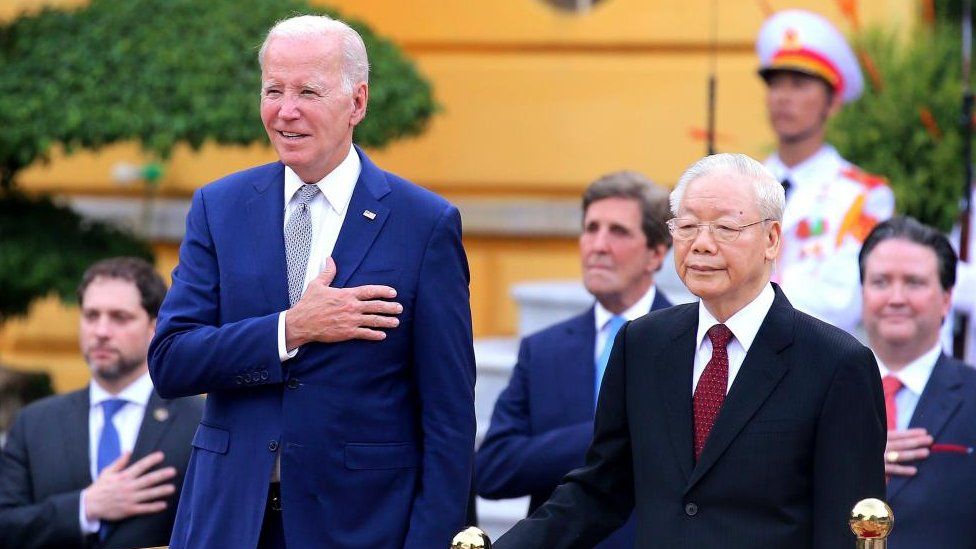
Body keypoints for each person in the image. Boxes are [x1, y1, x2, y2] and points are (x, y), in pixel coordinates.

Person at [147, 14, 475, 549]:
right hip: (231, 521)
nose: (285, 110)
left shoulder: (423, 224)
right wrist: (289, 329)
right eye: (272, 90)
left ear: (358, 103)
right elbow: (172, 360)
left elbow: (449, 417)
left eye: (308, 91)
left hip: (361, 526)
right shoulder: (219, 207)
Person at [493, 153, 886, 548]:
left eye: (725, 228)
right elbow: (600, 489)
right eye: (687, 226)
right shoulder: (641, 345)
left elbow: (847, 527)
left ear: (771, 240)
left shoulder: (836, 364)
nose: (701, 244)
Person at [476, 171, 673, 548]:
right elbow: (493, 469)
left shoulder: (691, 343)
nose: (598, 245)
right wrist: (607, 434)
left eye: (618, 231)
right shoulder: (543, 350)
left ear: (657, 253)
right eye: (591, 228)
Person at [0, 257, 203, 549]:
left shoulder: (199, 422)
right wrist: (84, 508)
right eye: (91, 315)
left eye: (120, 317)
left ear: (155, 326)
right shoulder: (34, 423)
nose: (101, 331)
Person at [757, 9, 895, 333]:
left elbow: (841, 301)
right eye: (775, 84)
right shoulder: (743, 183)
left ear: (832, 103)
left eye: (800, 85)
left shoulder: (864, 196)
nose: (783, 98)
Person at [858, 216, 976, 548]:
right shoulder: (816, 392)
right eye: (880, 282)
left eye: (914, 282)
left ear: (947, 298)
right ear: (862, 292)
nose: (896, 298)